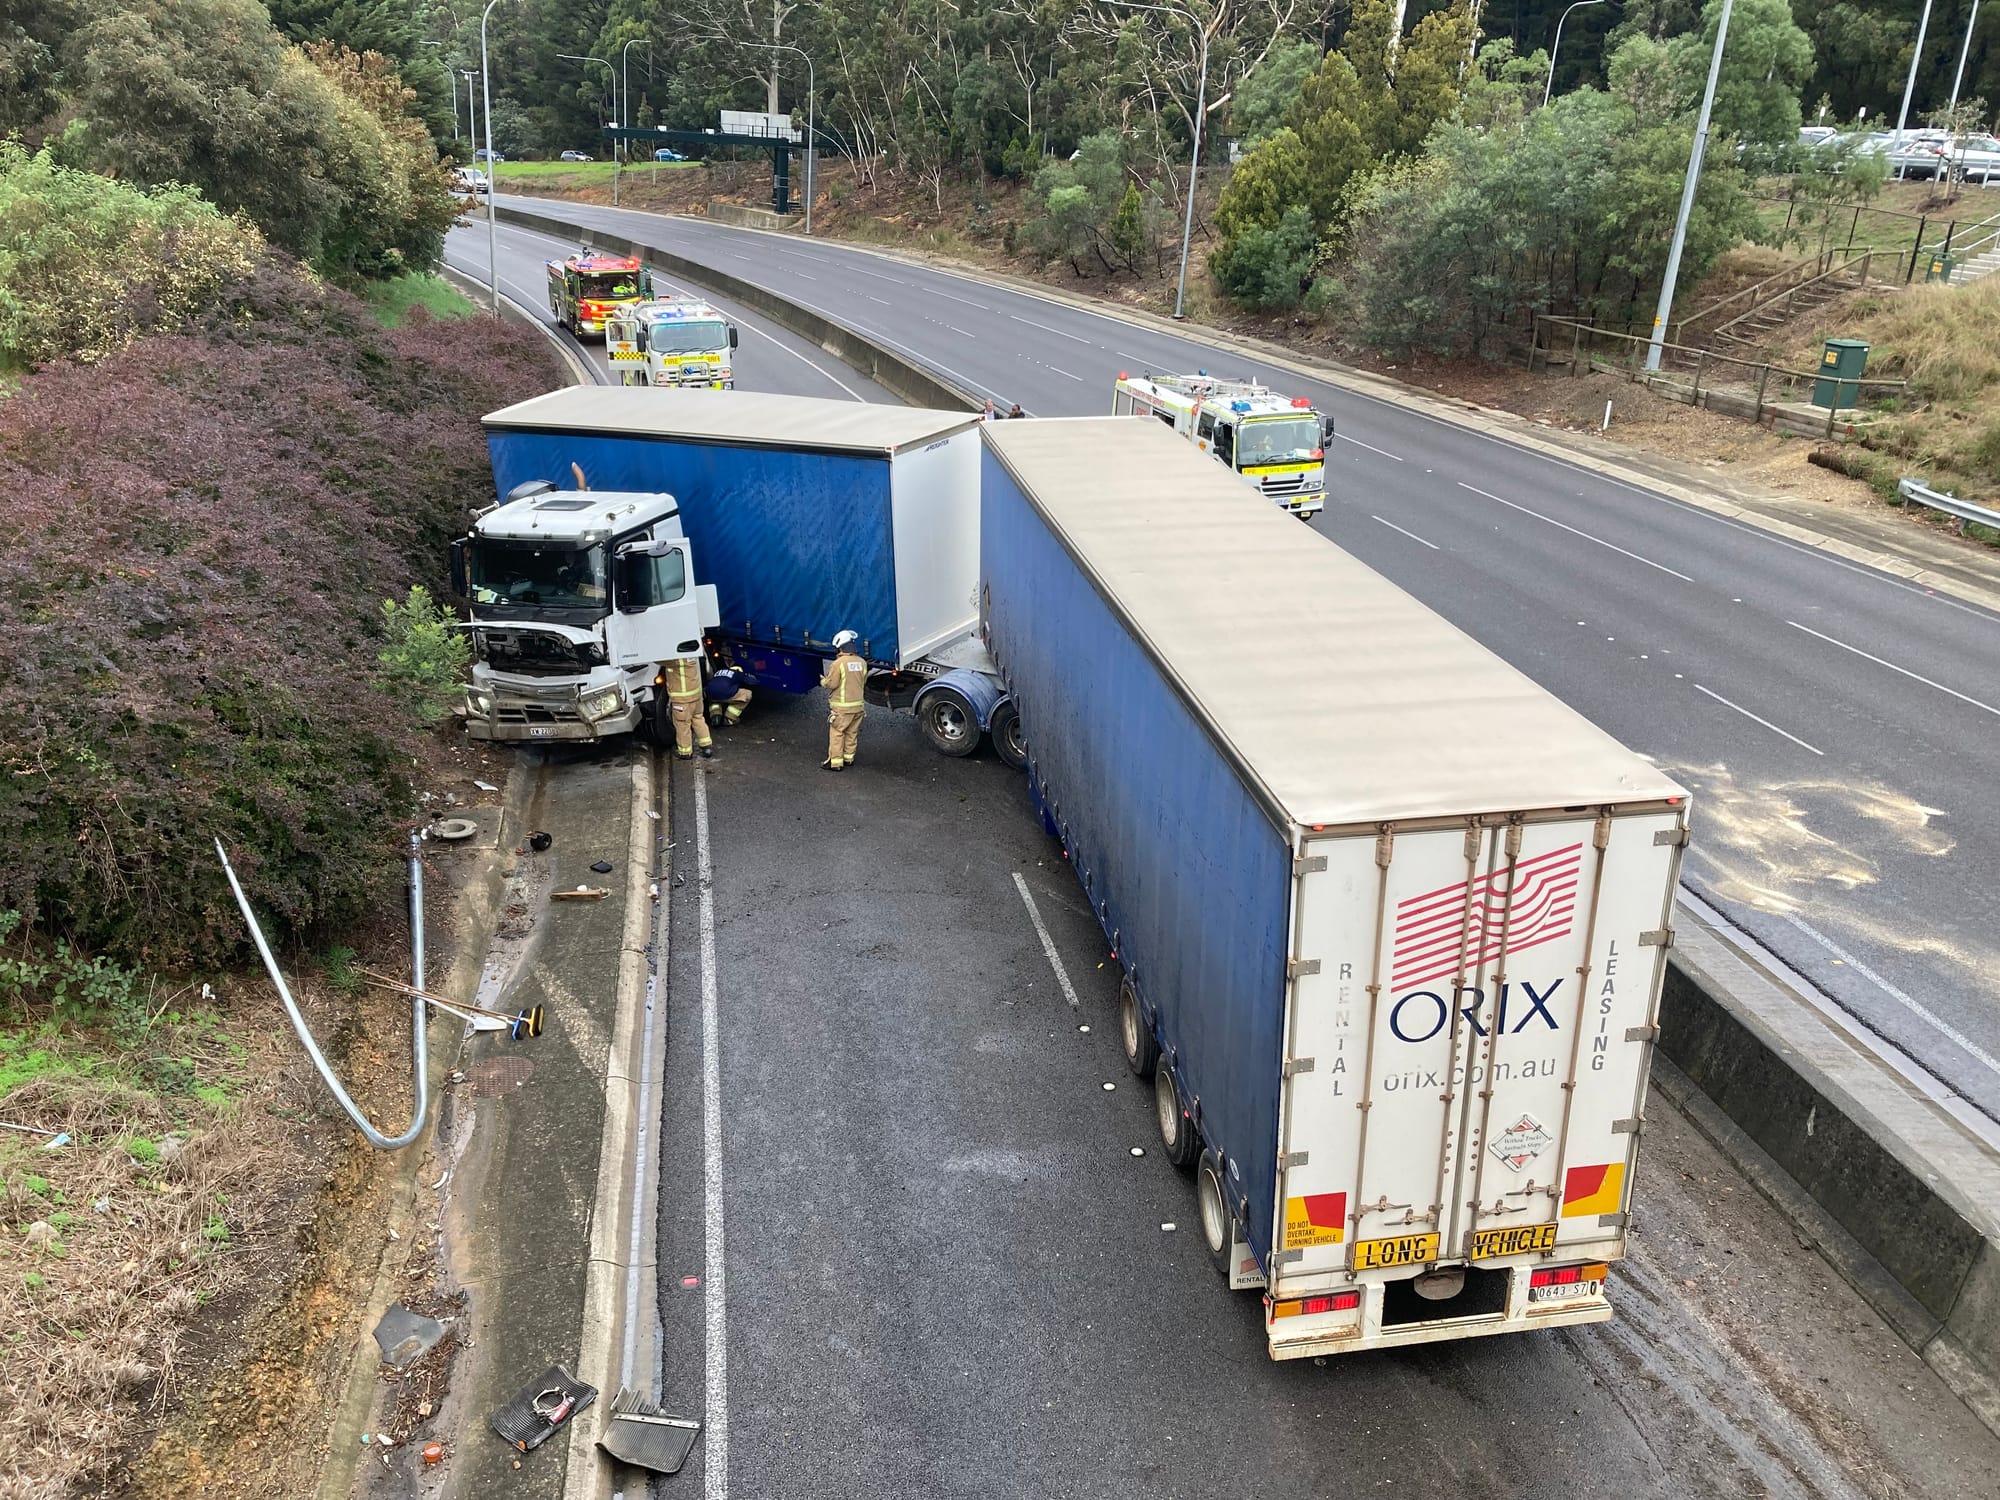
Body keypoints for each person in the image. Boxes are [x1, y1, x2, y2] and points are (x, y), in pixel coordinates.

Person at [821, 629, 867, 771]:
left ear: (840, 646)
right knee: (851, 733)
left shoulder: (838, 663)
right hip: (858, 707)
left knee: (837, 732)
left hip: (842, 708)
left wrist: (824, 681)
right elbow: (863, 681)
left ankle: (835, 763)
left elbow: (832, 684)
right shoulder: (862, 662)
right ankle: (849, 758)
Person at [657, 656, 713, 760]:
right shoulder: (692, 655)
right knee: (698, 719)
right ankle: (707, 746)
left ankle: (685, 752)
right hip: (696, 697)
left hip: (682, 699)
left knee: (682, 725)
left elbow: (659, 660)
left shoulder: (675, 659)